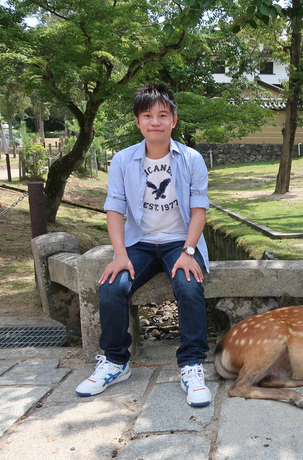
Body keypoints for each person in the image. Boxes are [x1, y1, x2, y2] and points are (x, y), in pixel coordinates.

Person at [76, 83, 212, 407]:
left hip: (181, 241)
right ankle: (115, 361)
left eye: (162, 115)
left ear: (174, 120)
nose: (155, 122)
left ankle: (192, 364)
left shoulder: (191, 159)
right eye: (147, 115)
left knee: (190, 286)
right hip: (140, 242)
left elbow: (198, 210)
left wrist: (189, 252)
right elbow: (114, 209)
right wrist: (120, 255)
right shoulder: (122, 161)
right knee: (112, 286)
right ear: (137, 122)